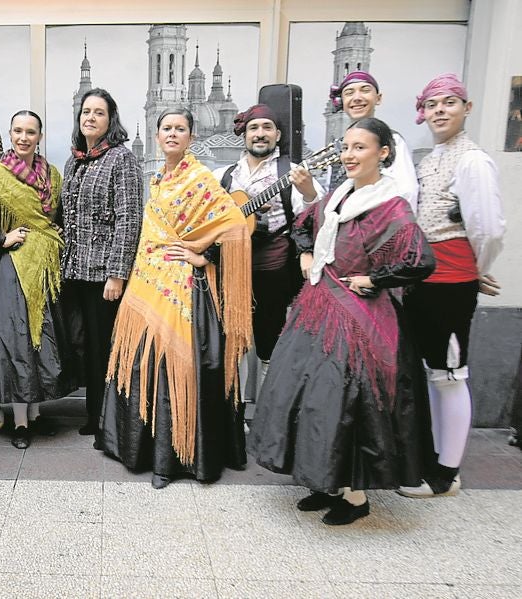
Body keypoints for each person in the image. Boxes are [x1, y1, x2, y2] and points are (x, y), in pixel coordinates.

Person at [249, 118, 436, 525]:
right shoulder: (338, 198)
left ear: (383, 153)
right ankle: (323, 482)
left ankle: (355, 498)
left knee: (345, 398)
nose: (350, 155)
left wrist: (376, 279)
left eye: (360, 148)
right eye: (347, 147)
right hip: (317, 307)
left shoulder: (392, 205)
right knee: (309, 395)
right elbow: (305, 225)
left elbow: (419, 260)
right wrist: (303, 254)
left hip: (359, 318)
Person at [101, 108, 252, 489]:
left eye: (180, 129)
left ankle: (175, 461)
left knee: (177, 367)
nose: (172, 134)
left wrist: (203, 256)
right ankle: (144, 452)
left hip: (186, 289)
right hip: (147, 281)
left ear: (191, 137)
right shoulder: (156, 179)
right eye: (166, 128)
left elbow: (233, 224)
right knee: (142, 364)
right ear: (156, 136)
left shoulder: (200, 179)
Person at [399, 74, 505, 497]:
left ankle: (446, 473)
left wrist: (478, 269)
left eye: (449, 103)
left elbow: (488, 227)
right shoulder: (433, 157)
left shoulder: (472, 160)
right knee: (433, 371)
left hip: (451, 277)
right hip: (424, 278)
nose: (440, 111)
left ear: (467, 108)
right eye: (432, 105)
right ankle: (435, 458)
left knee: (449, 372)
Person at [0, 110, 76, 448]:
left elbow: (57, 214)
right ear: (10, 134)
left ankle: (35, 416)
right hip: (13, 268)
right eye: (18, 131)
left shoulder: (50, 173)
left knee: (41, 339)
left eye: (30, 132)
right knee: (18, 340)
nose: (24, 137)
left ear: (39, 136)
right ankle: (19, 423)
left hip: (44, 266)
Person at [213, 104, 323, 384]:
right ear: (244, 135)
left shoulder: (293, 172)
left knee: (269, 345)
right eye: (253, 128)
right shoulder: (224, 175)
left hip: (272, 270)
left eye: (267, 128)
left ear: (277, 134)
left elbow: (314, 216)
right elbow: (206, 216)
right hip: (231, 269)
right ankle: (233, 421)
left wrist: (309, 192)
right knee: (232, 344)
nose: (260, 134)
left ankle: (265, 419)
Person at [60, 88, 143, 437]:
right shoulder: (74, 160)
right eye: (86, 112)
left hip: (103, 275)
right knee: (82, 346)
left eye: (99, 112)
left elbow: (129, 219)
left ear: (111, 120)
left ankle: (107, 421)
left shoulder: (121, 158)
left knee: (102, 348)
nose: (90, 117)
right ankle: (93, 415)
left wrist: (117, 274)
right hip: (74, 270)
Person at [326, 71, 418, 210]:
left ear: (378, 98)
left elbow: (407, 192)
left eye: (365, 90)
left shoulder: (392, 140)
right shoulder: (337, 146)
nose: (357, 98)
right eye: (349, 92)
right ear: (342, 102)